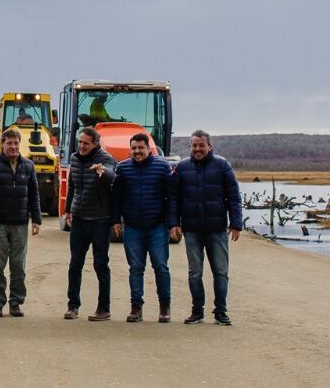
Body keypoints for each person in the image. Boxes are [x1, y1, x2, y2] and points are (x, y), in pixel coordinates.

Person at [173, 130, 244, 325]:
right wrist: (173, 224)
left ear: (209, 146)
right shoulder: (182, 168)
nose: (197, 149)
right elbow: (174, 199)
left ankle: (221, 311)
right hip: (192, 229)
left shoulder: (222, 166)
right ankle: (197, 311)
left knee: (220, 272)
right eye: (194, 145)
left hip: (217, 229)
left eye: (201, 145)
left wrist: (236, 224)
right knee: (195, 272)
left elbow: (234, 197)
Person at [111, 133, 177, 323]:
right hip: (132, 226)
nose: (137, 152)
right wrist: (116, 220)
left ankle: (165, 307)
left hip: (157, 226)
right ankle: (136, 308)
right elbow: (116, 197)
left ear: (149, 149)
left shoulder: (162, 166)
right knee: (136, 268)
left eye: (141, 148)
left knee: (160, 266)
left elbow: (171, 197)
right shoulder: (123, 168)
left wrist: (173, 224)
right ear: (130, 150)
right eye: (134, 148)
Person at [0, 126, 42, 317]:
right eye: (9, 143)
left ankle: (16, 302)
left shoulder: (28, 166)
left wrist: (36, 219)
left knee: (18, 265)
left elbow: (34, 195)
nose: (13, 147)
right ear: (2, 144)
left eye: (16, 143)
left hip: (20, 223)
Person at [64, 127, 117, 321]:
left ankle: (104, 308)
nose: (82, 146)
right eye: (80, 142)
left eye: (86, 143)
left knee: (100, 264)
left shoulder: (105, 159)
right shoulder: (74, 159)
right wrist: (68, 209)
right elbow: (72, 185)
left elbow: (113, 177)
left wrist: (102, 172)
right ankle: (72, 306)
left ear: (95, 143)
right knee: (75, 264)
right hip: (79, 219)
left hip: (99, 220)